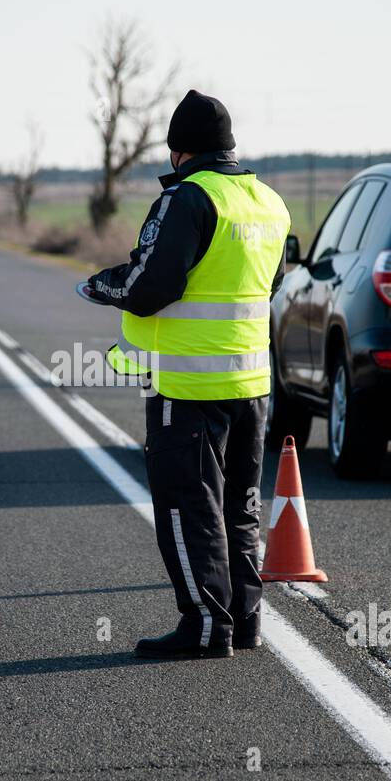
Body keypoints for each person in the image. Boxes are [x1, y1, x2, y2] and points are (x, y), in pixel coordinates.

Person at [85, 89, 290, 660]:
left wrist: (99, 285)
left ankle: (203, 627)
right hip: (252, 384)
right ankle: (244, 620)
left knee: (188, 506)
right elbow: (268, 285)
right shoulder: (268, 202)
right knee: (240, 505)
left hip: (188, 386)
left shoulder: (188, 200)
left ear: (180, 152)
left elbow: (150, 287)